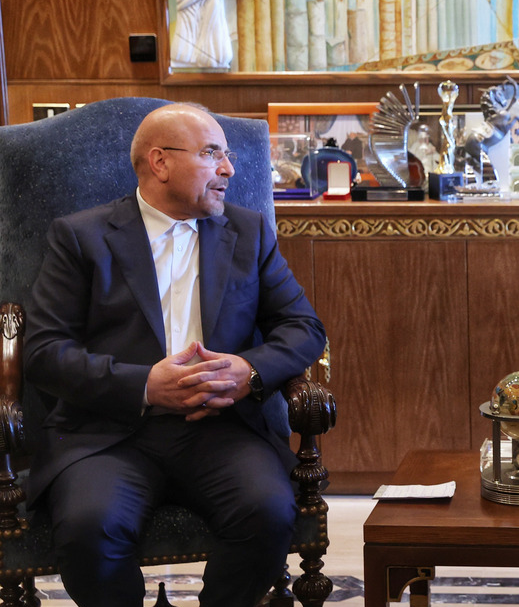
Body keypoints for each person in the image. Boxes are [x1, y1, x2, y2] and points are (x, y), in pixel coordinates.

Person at [22, 103, 327, 607]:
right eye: (211, 154)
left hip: (222, 429)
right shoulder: (81, 237)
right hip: (110, 434)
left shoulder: (248, 232)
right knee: (89, 529)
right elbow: (43, 352)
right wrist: (144, 385)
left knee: (269, 513)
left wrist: (248, 371)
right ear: (160, 162)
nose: (229, 169)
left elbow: (304, 327)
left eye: (228, 156)